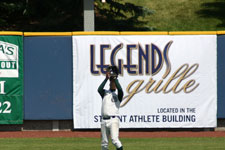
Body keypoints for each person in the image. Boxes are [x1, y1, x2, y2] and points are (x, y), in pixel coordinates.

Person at [97, 66, 124, 150]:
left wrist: (115, 78)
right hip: (104, 120)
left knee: (115, 140)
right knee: (104, 144)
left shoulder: (118, 95)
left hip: (113, 120)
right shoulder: (105, 93)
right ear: (109, 84)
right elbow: (99, 89)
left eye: (114, 83)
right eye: (111, 83)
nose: (113, 84)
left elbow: (120, 89)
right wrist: (106, 79)